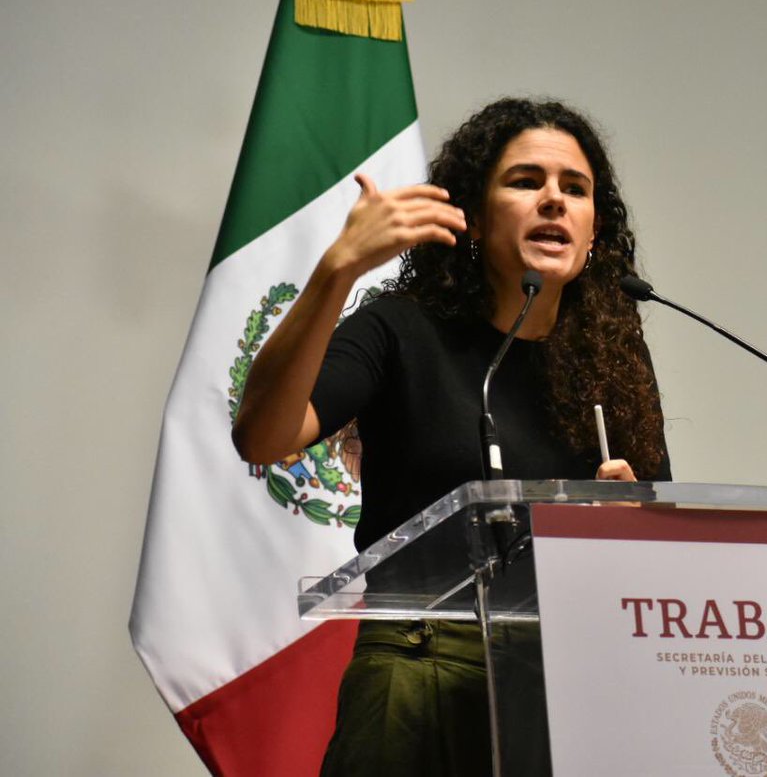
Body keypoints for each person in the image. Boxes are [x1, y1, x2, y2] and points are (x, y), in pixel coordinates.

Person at [232, 97, 671, 775]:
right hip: (416, 673)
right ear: (474, 215)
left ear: (594, 232)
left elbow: (661, 550)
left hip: (559, 686)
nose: (554, 200)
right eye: (525, 181)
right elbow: (264, 436)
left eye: (575, 188)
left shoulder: (611, 363)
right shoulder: (401, 329)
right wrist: (338, 268)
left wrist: (630, 518)